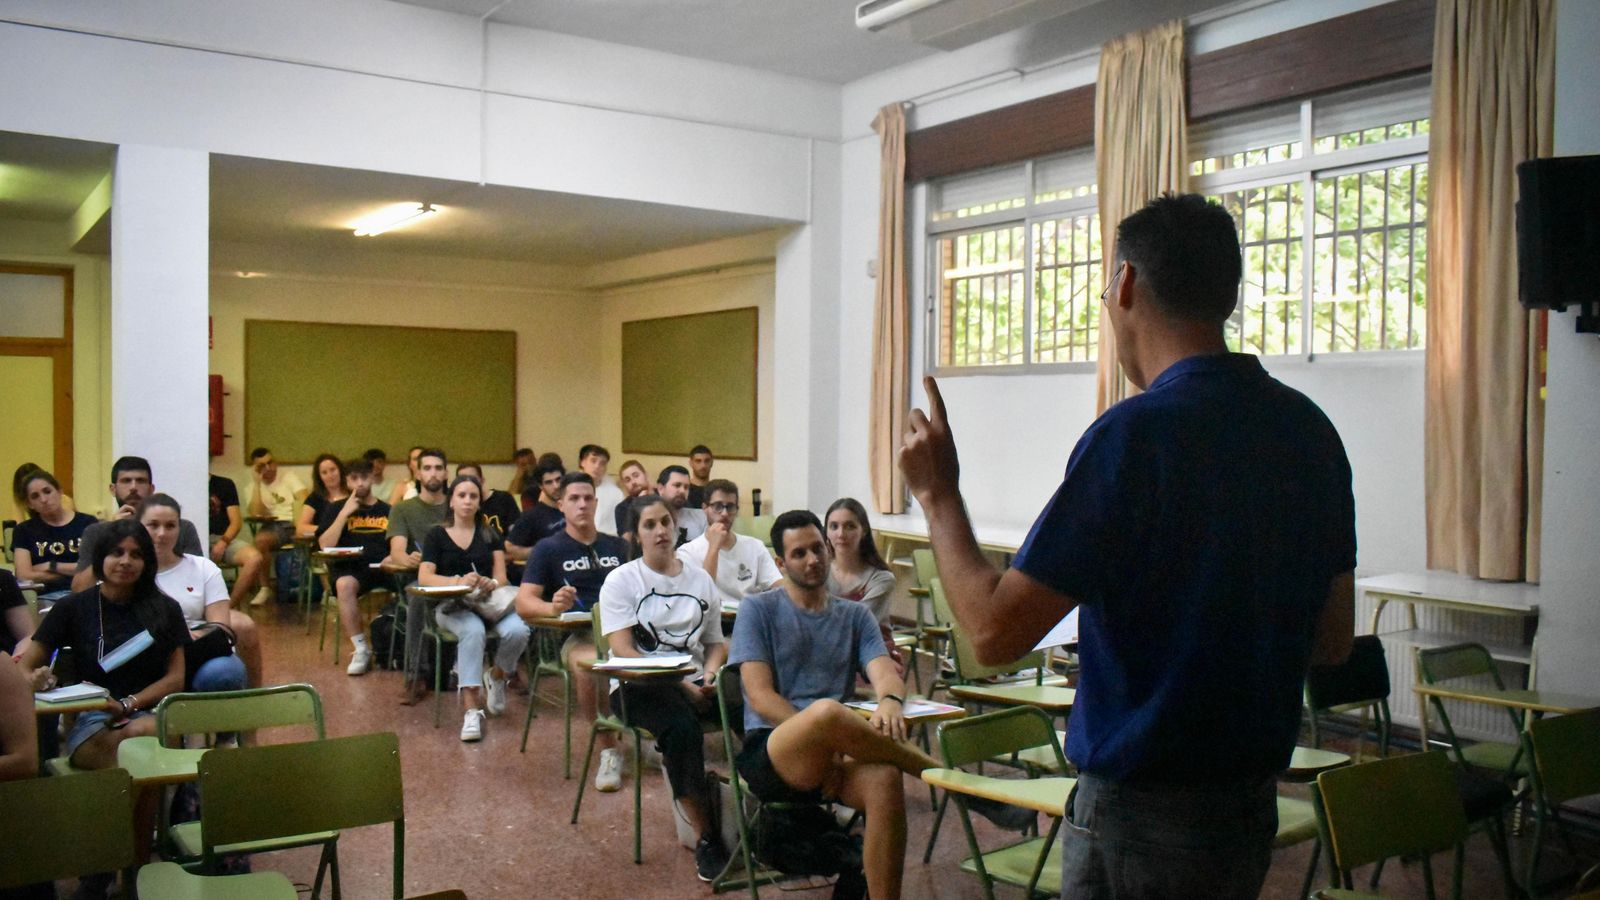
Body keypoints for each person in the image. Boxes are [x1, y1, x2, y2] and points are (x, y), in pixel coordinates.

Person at [898, 193, 1357, 899]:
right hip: (1247, 809)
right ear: (1228, 293)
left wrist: (937, 494)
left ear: (1127, 285)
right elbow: (1331, 642)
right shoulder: (1310, 432)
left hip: (1143, 817)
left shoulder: (1136, 438)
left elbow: (992, 633)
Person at [727, 510, 939, 900]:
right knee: (826, 712)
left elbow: (885, 673)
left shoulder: (855, 615)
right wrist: (830, 741)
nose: (812, 560)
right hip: (773, 749)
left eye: (818, 549)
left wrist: (890, 699)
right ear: (780, 562)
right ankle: (942, 776)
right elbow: (759, 696)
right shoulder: (758, 609)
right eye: (798, 553)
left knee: (885, 779)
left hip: (836, 753)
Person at [597, 494, 729, 881]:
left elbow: (715, 643)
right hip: (637, 685)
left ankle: (773, 809)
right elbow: (623, 651)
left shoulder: (699, 578)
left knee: (747, 698)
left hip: (692, 681)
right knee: (681, 726)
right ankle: (707, 837)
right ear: (636, 536)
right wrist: (682, 686)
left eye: (666, 523)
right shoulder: (622, 580)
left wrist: (709, 674)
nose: (660, 531)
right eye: (650, 525)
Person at [514, 473, 628, 789]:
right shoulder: (548, 549)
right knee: (590, 668)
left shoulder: (617, 546)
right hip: (578, 634)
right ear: (561, 505)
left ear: (596, 502)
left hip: (625, 630)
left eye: (588, 498)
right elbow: (523, 603)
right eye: (574, 499)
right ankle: (609, 749)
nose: (582, 505)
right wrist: (553, 607)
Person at [418, 475, 530, 742]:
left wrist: (487, 582)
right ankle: (471, 709)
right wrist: (458, 581)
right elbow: (425, 576)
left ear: (480, 502)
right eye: (462, 495)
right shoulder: (436, 535)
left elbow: (501, 577)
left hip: (489, 602)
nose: (468, 501)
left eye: (473, 496)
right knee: (474, 631)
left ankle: (497, 676)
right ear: (452, 501)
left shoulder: (489, 534)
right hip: (452, 606)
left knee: (519, 630)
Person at [141, 495, 257, 693]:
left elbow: (221, 627)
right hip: (146, 654)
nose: (162, 534)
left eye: (170, 526)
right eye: (153, 525)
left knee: (226, 673)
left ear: (179, 529)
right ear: (138, 527)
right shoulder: (126, 570)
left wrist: (186, 638)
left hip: (198, 650)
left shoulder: (203, 567)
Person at [72, 457, 205, 592]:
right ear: (113, 489)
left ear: (151, 488)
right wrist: (113, 534)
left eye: (140, 481)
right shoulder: (96, 531)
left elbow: (199, 579)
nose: (133, 488)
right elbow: (79, 589)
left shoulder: (181, 528)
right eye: (126, 481)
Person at [385, 448, 450, 705]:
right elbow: (397, 551)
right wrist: (409, 558)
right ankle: (415, 675)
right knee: (417, 597)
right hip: (422, 578)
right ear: (418, 473)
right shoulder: (403, 509)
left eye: (438, 468)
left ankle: (504, 672)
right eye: (427, 468)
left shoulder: (457, 504)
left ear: (446, 473)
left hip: (458, 576)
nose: (433, 473)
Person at [316, 458, 391, 675]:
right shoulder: (335, 509)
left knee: (414, 581)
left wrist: (393, 557)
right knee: (344, 585)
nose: (359, 483)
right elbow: (325, 544)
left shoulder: (388, 509)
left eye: (364, 478)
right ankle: (361, 648)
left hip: (385, 567)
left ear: (372, 478)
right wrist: (343, 514)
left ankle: (409, 645)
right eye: (354, 478)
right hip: (352, 568)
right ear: (347, 481)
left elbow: (398, 543)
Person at [675, 479, 779, 608]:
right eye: (718, 506)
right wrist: (714, 547)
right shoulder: (687, 552)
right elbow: (701, 595)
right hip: (712, 619)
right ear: (705, 508)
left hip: (749, 616)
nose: (724, 513)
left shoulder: (755, 546)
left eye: (730, 507)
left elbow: (776, 584)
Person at [11, 469, 96, 597]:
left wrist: (51, 565)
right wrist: (72, 571)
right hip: (45, 597)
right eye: (35, 496)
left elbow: (95, 567)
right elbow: (23, 575)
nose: (44, 499)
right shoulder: (23, 530)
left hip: (85, 594)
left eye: (47, 491)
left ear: (59, 491)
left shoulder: (88, 523)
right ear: (30, 504)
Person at [824, 498, 897, 626]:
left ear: (864, 530)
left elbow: (857, 623)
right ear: (827, 532)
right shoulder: (819, 572)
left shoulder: (881, 578)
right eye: (834, 526)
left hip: (868, 645)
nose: (841, 534)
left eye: (850, 526)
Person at [208, 472, 268, 608]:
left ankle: (229, 607)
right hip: (193, 539)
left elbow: (236, 522)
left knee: (254, 558)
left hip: (221, 538)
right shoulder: (183, 483)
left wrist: (223, 542)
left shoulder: (225, 484)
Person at [504, 459, 566, 563]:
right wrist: (542, 551)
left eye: (558, 479)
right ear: (541, 486)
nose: (556, 486)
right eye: (549, 482)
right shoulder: (532, 516)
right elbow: (509, 547)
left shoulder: (576, 507)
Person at [295, 453, 348, 539]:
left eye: (333, 470)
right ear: (319, 477)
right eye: (324, 472)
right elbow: (300, 529)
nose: (330, 475)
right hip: (324, 546)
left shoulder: (353, 495)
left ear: (340, 470)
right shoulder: (315, 498)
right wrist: (331, 529)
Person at [459, 463, 519, 536]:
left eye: (472, 479)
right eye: (462, 480)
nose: (468, 483)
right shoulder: (460, 505)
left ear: (482, 480)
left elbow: (516, 531)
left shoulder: (504, 499)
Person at [578, 444, 625, 535]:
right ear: (582, 462)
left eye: (602, 463)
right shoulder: (571, 489)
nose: (597, 466)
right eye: (593, 461)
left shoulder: (616, 494)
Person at [656, 465, 707, 547]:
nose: (682, 491)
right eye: (677, 485)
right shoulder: (651, 520)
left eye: (686, 487)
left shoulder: (702, 517)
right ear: (661, 488)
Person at [612, 459, 652, 543]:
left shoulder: (662, 497)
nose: (633, 482)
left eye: (636, 475)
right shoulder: (622, 508)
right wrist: (638, 506)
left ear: (645, 475)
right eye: (628, 480)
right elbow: (626, 543)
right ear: (624, 485)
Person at [508, 447, 536, 511]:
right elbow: (511, 498)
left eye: (530, 462)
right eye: (524, 464)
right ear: (517, 464)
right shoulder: (518, 480)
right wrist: (518, 476)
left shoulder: (542, 477)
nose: (528, 466)